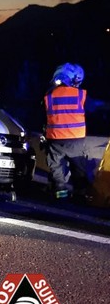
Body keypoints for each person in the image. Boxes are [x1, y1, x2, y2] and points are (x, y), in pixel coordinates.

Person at [42, 62, 90, 201]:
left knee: (56, 165)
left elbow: (44, 116)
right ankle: (80, 193)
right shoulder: (81, 94)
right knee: (77, 166)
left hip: (55, 138)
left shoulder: (49, 95)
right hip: (76, 138)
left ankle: (59, 190)